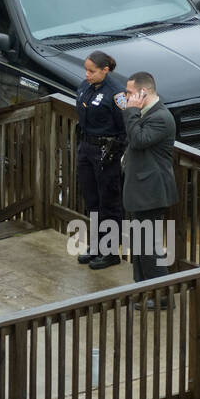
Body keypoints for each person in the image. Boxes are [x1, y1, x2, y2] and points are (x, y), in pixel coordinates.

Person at [121, 71, 178, 297]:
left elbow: (138, 140)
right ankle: (142, 287)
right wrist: (132, 112)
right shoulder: (144, 113)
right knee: (139, 244)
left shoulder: (160, 117)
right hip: (140, 190)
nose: (126, 97)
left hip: (151, 191)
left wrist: (130, 112)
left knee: (149, 246)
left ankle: (162, 296)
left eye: (130, 93)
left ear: (143, 93)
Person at [74, 50, 126, 269]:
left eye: (92, 71)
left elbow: (125, 127)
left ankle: (110, 250)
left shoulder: (116, 94)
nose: (87, 75)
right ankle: (96, 245)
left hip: (106, 151)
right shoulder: (85, 86)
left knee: (109, 203)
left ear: (105, 70)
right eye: (86, 70)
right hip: (86, 147)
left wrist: (116, 151)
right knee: (92, 200)